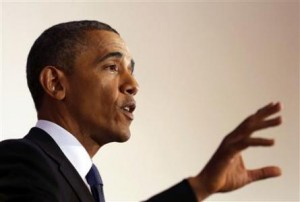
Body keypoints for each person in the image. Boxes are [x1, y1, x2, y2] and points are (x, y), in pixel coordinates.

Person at [0, 20, 282, 202]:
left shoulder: (85, 181)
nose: (133, 84)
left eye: (131, 71)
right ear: (55, 83)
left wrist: (201, 185)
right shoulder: (20, 160)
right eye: (112, 67)